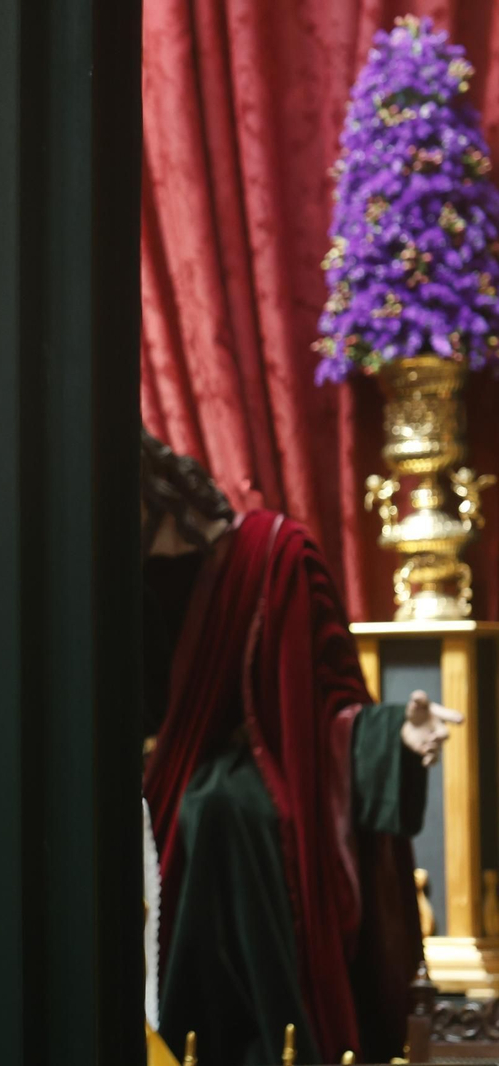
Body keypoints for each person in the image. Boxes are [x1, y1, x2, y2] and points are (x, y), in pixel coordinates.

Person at [140, 430, 460, 1064]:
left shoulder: (276, 554)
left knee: (222, 808)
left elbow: (335, 701)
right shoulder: (118, 582)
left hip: (271, 784)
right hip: (163, 781)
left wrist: (393, 733)